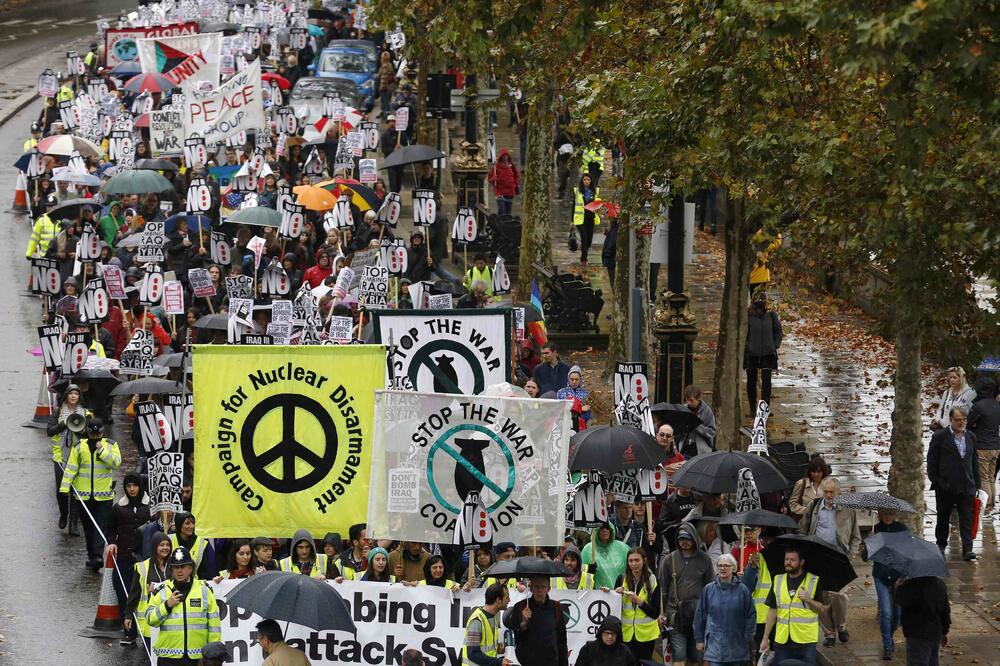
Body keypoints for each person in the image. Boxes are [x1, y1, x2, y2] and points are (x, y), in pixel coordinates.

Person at [802, 477, 859, 645]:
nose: (828, 495)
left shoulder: (848, 510)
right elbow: (803, 529)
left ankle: (841, 626)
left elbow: (855, 536)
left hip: (839, 558)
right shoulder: (813, 507)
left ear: (838, 492)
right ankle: (829, 634)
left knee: (840, 596)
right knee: (822, 597)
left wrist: (851, 555)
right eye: (825, 491)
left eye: (831, 492)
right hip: (817, 558)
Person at [59, 417, 121, 570]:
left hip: (104, 496)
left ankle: (98, 556)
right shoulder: (79, 447)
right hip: (83, 496)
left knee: (100, 525)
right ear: (88, 432)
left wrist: (102, 451)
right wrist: (64, 489)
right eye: (93, 434)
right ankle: (92, 555)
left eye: (97, 433)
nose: (95, 436)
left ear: (102, 432)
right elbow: (71, 469)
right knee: (87, 527)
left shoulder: (111, 445)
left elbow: (116, 463)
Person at [146, 546, 221, 664]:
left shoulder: (204, 590)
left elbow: (214, 625)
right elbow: (150, 619)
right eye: (176, 567)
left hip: (198, 657)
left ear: (190, 568)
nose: (179, 571)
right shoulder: (162, 590)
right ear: (172, 569)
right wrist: (167, 606)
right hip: (168, 658)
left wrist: (212, 655)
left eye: (183, 566)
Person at [927, 406, 980, 560]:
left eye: (964, 420)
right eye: (958, 420)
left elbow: (974, 462)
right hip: (945, 487)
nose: (962, 422)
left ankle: (968, 549)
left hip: (966, 486)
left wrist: (977, 485)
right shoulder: (940, 437)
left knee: (966, 518)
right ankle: (941, 545)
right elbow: (932, 462)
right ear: (951, 420)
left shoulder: (970, 436)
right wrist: (937, 481)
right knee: (943, 518)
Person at [657, 522, 713, 666]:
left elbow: (710, 587)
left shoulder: (705, 559)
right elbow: (663, 589)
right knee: (679, 654)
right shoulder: (669, 559)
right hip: (675, 614)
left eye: (687, 538)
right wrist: (662, 613)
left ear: (694, 538)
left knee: (696, 655)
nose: (684, 542)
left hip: (698, 614)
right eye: (681, 538)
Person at [760, 547, 825, 665]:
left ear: (802, 562)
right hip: (782, 641)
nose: (788, 562)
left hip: (806, 641)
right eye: (786, 559)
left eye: (792, 560)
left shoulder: (813, 580)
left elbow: (821, 609)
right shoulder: (778, 580)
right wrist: (765, 638)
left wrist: (808, 600)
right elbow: (772, 611)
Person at [860, 509, 908, 660]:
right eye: (885, 514)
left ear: (894, 515)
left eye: (890, 514)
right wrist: (869, 542)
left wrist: (904, 577)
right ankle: (887, 645)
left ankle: (890, 636)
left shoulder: (901, 529)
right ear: (880, 515)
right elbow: (865, 557)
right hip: (881, 576)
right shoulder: (876, 529)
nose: (888, 517)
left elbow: (908, 553)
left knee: (897, 615)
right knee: (886, 612)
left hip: (898, 577)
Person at [693, 553, 756, 666]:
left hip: (738, 646)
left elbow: (751, 615)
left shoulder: (743, 590)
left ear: (734, 568)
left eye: (726, 565)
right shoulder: (708, 590)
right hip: (715, 647)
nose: (723, 568)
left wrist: (748, 637)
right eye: (720, 565)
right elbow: (699, 616)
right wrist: (699, 640)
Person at [107, 472, 150, 633]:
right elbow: (110, 528)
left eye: (135, 485)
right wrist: (112, 542)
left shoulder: (151, 507)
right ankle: (128, 628)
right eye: (128, 486)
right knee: (121, 587)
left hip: (144, 558)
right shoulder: (118, 508)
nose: (132, 489)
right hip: (124, 556)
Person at [46, 384, 87, 530]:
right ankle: (64, 514)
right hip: (60, 457)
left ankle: (73, 523)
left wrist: (80, 428)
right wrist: (64, 424)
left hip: (78, 456)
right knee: (61, 489)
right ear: (66, 396)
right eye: (71, 393)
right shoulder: (58, 412)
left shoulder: (85, 413)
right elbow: (49, 431)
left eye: (76, 393)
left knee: (75, 489)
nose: (73, 396)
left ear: (79, 397)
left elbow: (90, 435)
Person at [503, 576, 569, 666]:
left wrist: (564, 663)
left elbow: (562, 640)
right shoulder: (520, 607)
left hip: (551, 662)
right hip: (525, 662)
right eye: (536, 587)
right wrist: (523, 622)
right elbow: (513, 639)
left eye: (543, 587)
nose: (539, 590)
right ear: (531, 588)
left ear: (548, 589)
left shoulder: (556, 607)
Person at [123, 531, 171, 648]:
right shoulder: (142, 567)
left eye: (167, 545)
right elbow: (134, 593)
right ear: (155, 547)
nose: (165, 548)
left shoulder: (175, 565)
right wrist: (128, 615)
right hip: (150, 620)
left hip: (171, 618)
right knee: (151, 654)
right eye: (162, 545)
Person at [614, 547, 660, 660]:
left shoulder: (653, 580)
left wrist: (639, 601)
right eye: (630, 561)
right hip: (626, 634)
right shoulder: (621, 579)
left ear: (644, 560)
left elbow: (655, 613)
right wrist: (615, 595)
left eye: (637, 560)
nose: (634, 564)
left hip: (647, 635)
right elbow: (614, 609)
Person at [895, 576, 950, 666]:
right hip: (935, 631)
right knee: (933, 661)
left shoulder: (910, 585)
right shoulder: (939, 584)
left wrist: (898, 587)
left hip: (916, 632)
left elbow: (900, 600)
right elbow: (945, 610)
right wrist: (944, 631)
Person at [744, 291, 783, 412]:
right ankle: (752, 407)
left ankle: (764, 409)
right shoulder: (748, 316)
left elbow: (778, 331)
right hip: (752, 354)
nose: (762, 302)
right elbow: (743, 334)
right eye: (759, 300)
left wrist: (774, 345)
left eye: (763, 300)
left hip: (768, 353)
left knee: (766, 382)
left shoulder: (771, 315)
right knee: (751, 381)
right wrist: (748, 347)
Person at [968, 377, 1000, 511]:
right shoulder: (997, 405)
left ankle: (986, 504)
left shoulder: (978, 406)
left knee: (983, 477)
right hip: (995, 445)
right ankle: (991, 503)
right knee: (991, 477)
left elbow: (969, 423)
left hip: (982, 445)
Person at [462, 582, 512, 666]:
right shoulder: (476, 621)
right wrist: (498, 662)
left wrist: (497, 648)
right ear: (498, 600)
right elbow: (472, 654)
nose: (509, 600)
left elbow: (485, 647)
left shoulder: (492, 617)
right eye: (507, 597)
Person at [169, 512, 216, 580]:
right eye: (187, 523)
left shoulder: (203, 543)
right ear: (179, 524)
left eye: (193, 523)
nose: (191, 526)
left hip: (196, 584)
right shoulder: (168, 540)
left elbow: (208, 571)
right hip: (172, 584)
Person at [582, 523, 630, 590]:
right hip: (597, 592)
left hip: (620, 591)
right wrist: (589, 570)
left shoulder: (622, 548)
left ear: (611, 530)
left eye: (607, 528)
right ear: (597, 531)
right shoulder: (588, 549)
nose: (604, 530)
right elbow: (581, 571)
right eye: (602, 528)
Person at [788, 456, 832, 528]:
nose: (816, 474)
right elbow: (792, 504)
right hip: (805, 524)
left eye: (819, 472)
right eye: (813, 472)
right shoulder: (801, 484)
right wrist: (807, 511)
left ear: (823, 472)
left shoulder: (829, 484)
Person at [679, 385, 717, 456]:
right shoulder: (683, 409)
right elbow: (679, 431)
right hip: (684, 450)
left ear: (698, 399)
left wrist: (696, 426)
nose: (688, 403)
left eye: (691, 400)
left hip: (701, 452)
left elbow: (712, 433)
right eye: (687, 400)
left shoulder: (707, 411)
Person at [572, 174, 600, 265]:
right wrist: (572, 221)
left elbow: (598, 204)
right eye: (585, 179)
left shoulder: (595, 191)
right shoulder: (577, 191)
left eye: (588, 179)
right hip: (580, 219)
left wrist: (600, 212)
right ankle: (584, 258)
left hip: (591, 218)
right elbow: (573, 206)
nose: (586, 181)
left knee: (589, 240)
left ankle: (584, 254)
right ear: (582, 181)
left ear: (591, 181)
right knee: (584, 238)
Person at [488, 149, 520, 217]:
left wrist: (514, 184)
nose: (505, 158)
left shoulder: (511, 166)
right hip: (500, 192)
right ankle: (499, 221)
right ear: (501, 157)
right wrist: (493, 178)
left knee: (508, 213)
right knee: (502, 211)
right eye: (504, 156)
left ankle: (504, 222)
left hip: (510, 192)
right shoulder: (496, 167)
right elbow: (490, 178)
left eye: (506, 156)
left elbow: (516, 175)